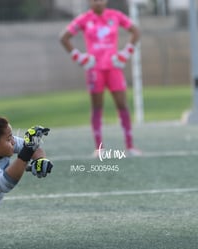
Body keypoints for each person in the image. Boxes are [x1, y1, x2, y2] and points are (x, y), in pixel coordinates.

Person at [60, 0, 141, 156]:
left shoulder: (115, 16)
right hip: (94, 70)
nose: (98, 2)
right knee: (97, 107)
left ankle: (130, 146)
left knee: (122, 104)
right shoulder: (84, 19)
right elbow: (64, 37)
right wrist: (79, 57)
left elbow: (136, 31)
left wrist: (125, 54)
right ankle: (99, 148)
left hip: (113, 68)